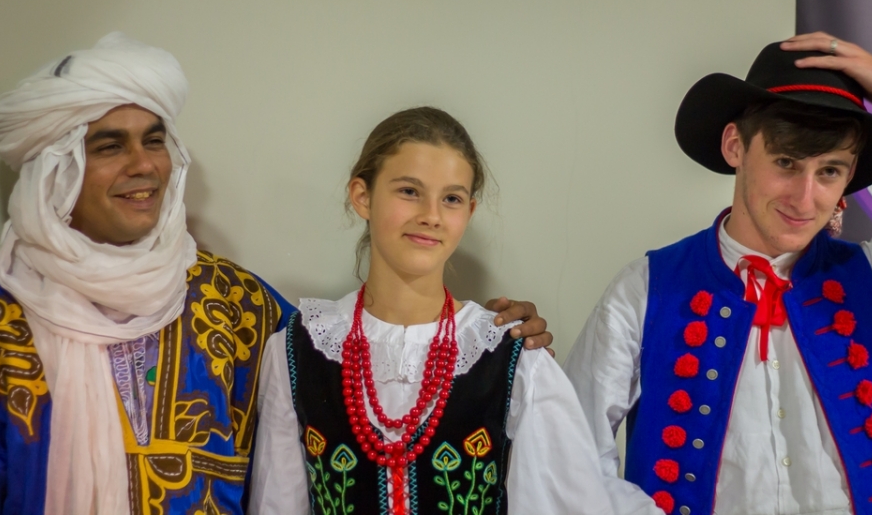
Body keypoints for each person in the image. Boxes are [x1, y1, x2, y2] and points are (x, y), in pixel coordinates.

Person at [0, 36, 551, 515]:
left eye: (155, 140)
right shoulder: (5, 317)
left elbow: (367, 350)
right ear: (55, 167)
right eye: (109, 146)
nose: (143, 165)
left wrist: (500, 343)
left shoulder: (233, 303)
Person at [564, 33, 872, 515]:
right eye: (786, 163)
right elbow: (573, 455)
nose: (805, 199)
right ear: (735, 145)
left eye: (829, 171)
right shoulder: (645, 289)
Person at [249, 107, 633, 514]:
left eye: (451, 198)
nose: (431, 216)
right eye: (409, 191)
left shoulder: (514, 359)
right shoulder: (296, 351)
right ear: (363, 196)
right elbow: (276, 503)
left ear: (469, 211)